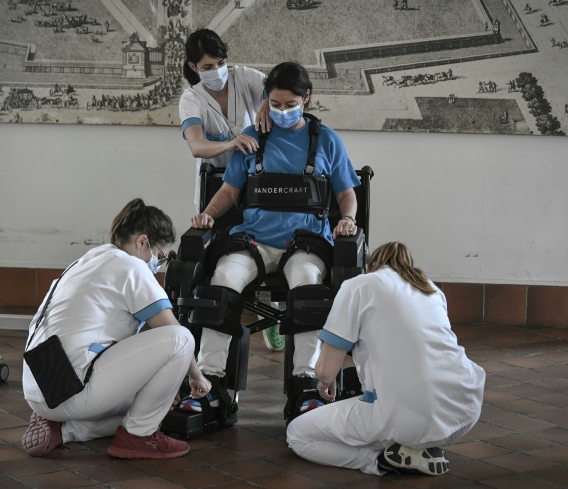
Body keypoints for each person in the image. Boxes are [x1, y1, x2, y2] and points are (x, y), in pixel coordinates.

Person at [180, 61, 361, 421]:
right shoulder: (253, 136)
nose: (282, 111)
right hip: (255, 240)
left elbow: (346, 193)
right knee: (222, 283)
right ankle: (210, 384)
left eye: (289, 104)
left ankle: (306, 386)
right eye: (275, 104)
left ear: (305, 98)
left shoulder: (326, 139)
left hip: (305, 243)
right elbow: (230, 191)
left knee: (307, 288)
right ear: (266, 100)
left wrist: (348, 219)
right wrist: (208, 215)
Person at [21, 198, 212, 459]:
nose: (158, 264)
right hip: (74, 390)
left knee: (157, 401)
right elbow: (171, 329)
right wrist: (196, 376)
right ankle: (138, 435)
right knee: (180, 340)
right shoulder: (131, 265)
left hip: (39, 389)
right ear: (142, 242)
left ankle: (66, 430)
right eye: (160, 256)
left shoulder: (86, 260)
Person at [287, 242, 485, 476]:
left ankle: (381, 461)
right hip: (464, 409)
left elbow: (326, 372)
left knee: (298, 434)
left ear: (370, 266)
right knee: (389, 411)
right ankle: (414, 448)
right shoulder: (431, 289)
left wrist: (324, 383)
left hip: (404, 414)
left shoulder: (359, 285)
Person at [179, 28, 285, 352]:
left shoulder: (245, 77)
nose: (217, 71)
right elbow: (197, 146)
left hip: (258, 179)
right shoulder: (191, 99)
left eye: (221, 62)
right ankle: (213, 326)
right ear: (194, 67)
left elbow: (276, 88)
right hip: (218, 182)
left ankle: (275, 316)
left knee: (267, 242)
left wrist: (268, 103)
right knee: (222, 253)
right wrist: (230, 144)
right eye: (208, 66)